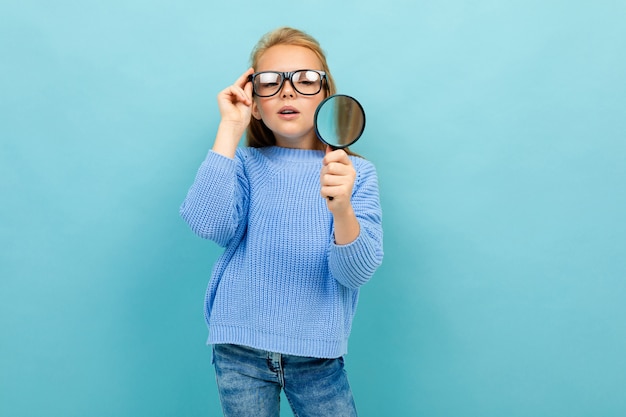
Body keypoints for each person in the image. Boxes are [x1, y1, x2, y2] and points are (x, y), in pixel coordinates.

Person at [180, 26, 383, 417]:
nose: (288, 91)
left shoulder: (357, 174)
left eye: (306, 81)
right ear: (254, 102)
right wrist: (229, 129)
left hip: (318, 355)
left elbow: (354, 273)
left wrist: (341, 206)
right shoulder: (243, 166)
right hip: (239, 350)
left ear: (328, 98)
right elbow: (209, 223)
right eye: (270, 82)